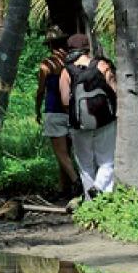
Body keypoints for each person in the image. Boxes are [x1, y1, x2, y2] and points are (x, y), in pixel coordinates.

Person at [58, 33, 118, 198]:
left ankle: (91, 202)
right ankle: (102, 191)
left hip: (79, 125)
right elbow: (115, 90)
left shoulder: (66, 72)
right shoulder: (101, 65)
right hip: (105, 121)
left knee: (85, 165)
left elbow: (64, 101)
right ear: (87, 48)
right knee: (106, 161)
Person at [35, 35, 82, 199]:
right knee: (67, 153)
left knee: (61, 153)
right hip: (72, 110)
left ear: (50, 46)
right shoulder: (73, 63)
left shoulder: (47, 64)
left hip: (54, 111)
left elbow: (41, 90)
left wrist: (37, 110)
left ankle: (77, 182)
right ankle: (63, 189)